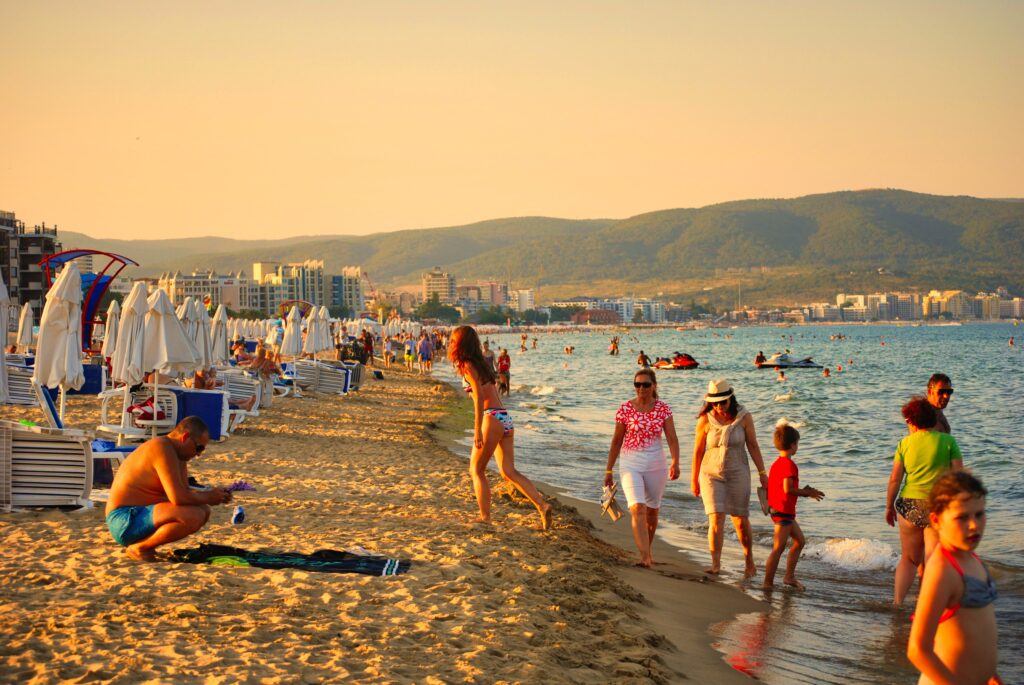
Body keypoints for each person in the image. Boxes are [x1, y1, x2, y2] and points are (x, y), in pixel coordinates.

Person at [448, 326, 552, 530]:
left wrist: (477, 429)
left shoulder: (467, 365)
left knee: (476, 470)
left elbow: (478, 398)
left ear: (460, 343)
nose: (450, 343)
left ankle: (485, 517)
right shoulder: (483, 364)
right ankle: (542, 504)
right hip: (504, 417)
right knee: (508, 471)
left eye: (453, 340)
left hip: (491, 418)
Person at [907, 471, 1000, 685]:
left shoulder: (972, 557)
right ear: (936, 520)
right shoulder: (943, 570)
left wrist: (990, 675)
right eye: (962, 517)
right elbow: (917, 649)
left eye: (979, 514)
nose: (974, 525)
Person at [105, 416, 232, 561]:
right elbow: (178, 497)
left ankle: (145, 546)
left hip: (139, 514)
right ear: (185, 437)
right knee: (193, 515)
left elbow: (185, 493)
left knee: (203, 510)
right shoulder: (161, 447)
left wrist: (215, 495)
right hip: (123, 519)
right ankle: (140, 548)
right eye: (199, 447)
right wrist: (209, 496)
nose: (198, 454)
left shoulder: (178, 455)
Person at [886, 397, 963, 606]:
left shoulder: (904, 443)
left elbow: (895, 478)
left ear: (912, 421)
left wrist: (888, 506)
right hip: (937, 506)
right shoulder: (949, 442)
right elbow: (959, 476)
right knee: (932, 558)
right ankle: (928, 604)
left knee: (909, 559)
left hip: (908, 504)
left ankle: (897, 602)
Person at [691, 379, 769, 577]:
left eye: (722, 402)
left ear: (730, 399)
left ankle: (749, 561)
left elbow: (753, 445)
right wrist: (694, 479)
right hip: (710, 473)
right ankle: (715, 564)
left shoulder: (744, 417)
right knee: (716, 518)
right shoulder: (705, 420)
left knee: (740, 520)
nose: (719, 406)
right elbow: (698, 451)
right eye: (715, 402)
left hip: (738, 472)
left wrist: (762, 473)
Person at [604, 369, 680, 567]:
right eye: (637, 385)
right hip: (630, 463)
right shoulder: (625, 409)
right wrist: (608, 469)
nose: (641, 389)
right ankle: (645, 557)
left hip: (656, 464)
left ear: (654, 386)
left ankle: (648, 550)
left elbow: (672, 438)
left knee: (652, 511)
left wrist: (676, 462)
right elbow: (616, 441)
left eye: (646, 384)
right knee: (637, 507)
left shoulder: (663, 409)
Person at [762, 424, 824, 591]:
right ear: (793, 445)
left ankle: (789, 576)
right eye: (797, 443)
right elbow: (787, 489)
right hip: (783, 511)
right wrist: (807, 493)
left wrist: (805, 491)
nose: (798, 446)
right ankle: (767, 583)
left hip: (781, 510)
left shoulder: (777, 463)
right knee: (778, 548)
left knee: (799, 541)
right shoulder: (789, 465)